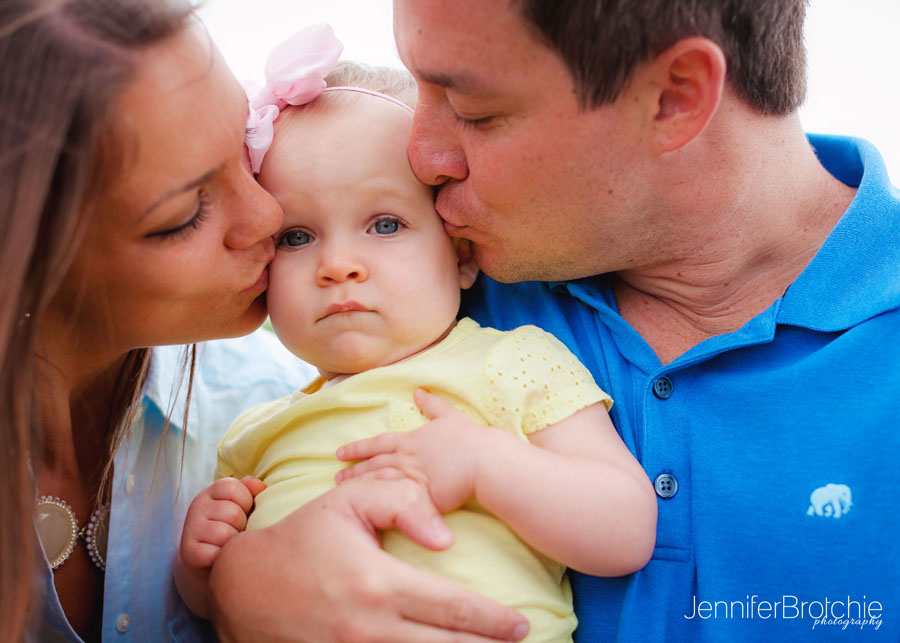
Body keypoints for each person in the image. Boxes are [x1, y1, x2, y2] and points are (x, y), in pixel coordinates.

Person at [208, 0, 900, 640]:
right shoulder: (429, 296)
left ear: (674, 96)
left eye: (473, 109)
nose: (422, 155)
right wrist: (238, 581)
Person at [3, 2, 531, 641]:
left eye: (245, 151)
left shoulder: (268, 396)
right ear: (29, 261)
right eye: (184, 216)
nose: (267, 218)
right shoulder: (256, 438)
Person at [173, 29, 656, 642]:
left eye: (384, 223)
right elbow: (228, 609)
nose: (337, 264)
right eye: (297, 236)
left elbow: (625, 531)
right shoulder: (252, 432)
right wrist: (202, 566)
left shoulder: (510, 361)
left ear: (459, 253)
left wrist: (487, 464)